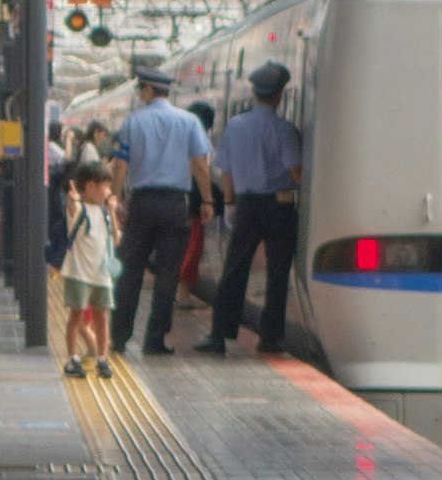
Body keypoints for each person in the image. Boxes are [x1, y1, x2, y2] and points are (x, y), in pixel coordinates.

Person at [197, 62, 308, 357]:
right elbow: (296, 171)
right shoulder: (285, 130)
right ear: (280, 96)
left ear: (254, 93)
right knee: (277, 273)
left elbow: (226, 173)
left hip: (246, 207)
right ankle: (270, 338)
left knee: (234, 271)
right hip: (279, 207)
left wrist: (231, 203)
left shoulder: (234, 126)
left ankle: (218, 336)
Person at [109, 60, 212, 358]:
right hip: (175, 205)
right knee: (168, 274)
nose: (140, 93)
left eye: (142, 89)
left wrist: (115, 198)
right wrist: (206, 201)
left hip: (142, 202)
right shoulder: (190, 122)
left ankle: (119, 337)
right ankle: (155, 340)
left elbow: (120, 164)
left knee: (130, 272)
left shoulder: (133, 122)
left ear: (150, 89)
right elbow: (200, 164)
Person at [58, 160, 121, 378]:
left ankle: (102, 359)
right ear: (90, 187)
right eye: (105, 186)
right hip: (79, 273)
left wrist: (112, 213)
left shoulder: (104, 212)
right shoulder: (80, 210)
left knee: (102, 316)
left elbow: (117, 238)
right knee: (77, 315)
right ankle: (72, 357)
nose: (109, 191)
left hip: (101, 275)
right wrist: (72, 202)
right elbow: (72, 212)